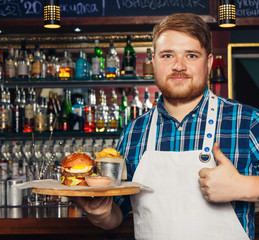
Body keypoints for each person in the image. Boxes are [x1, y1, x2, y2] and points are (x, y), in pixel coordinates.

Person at [74, 13, 259, 240]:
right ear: (153, 62)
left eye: (191, 55)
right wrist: (100, 213)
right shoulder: (133, 133)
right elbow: (115, 215)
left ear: (209, 63)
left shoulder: (247, 121)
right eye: (167, 55)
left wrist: (245, 187)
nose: (178, 66)